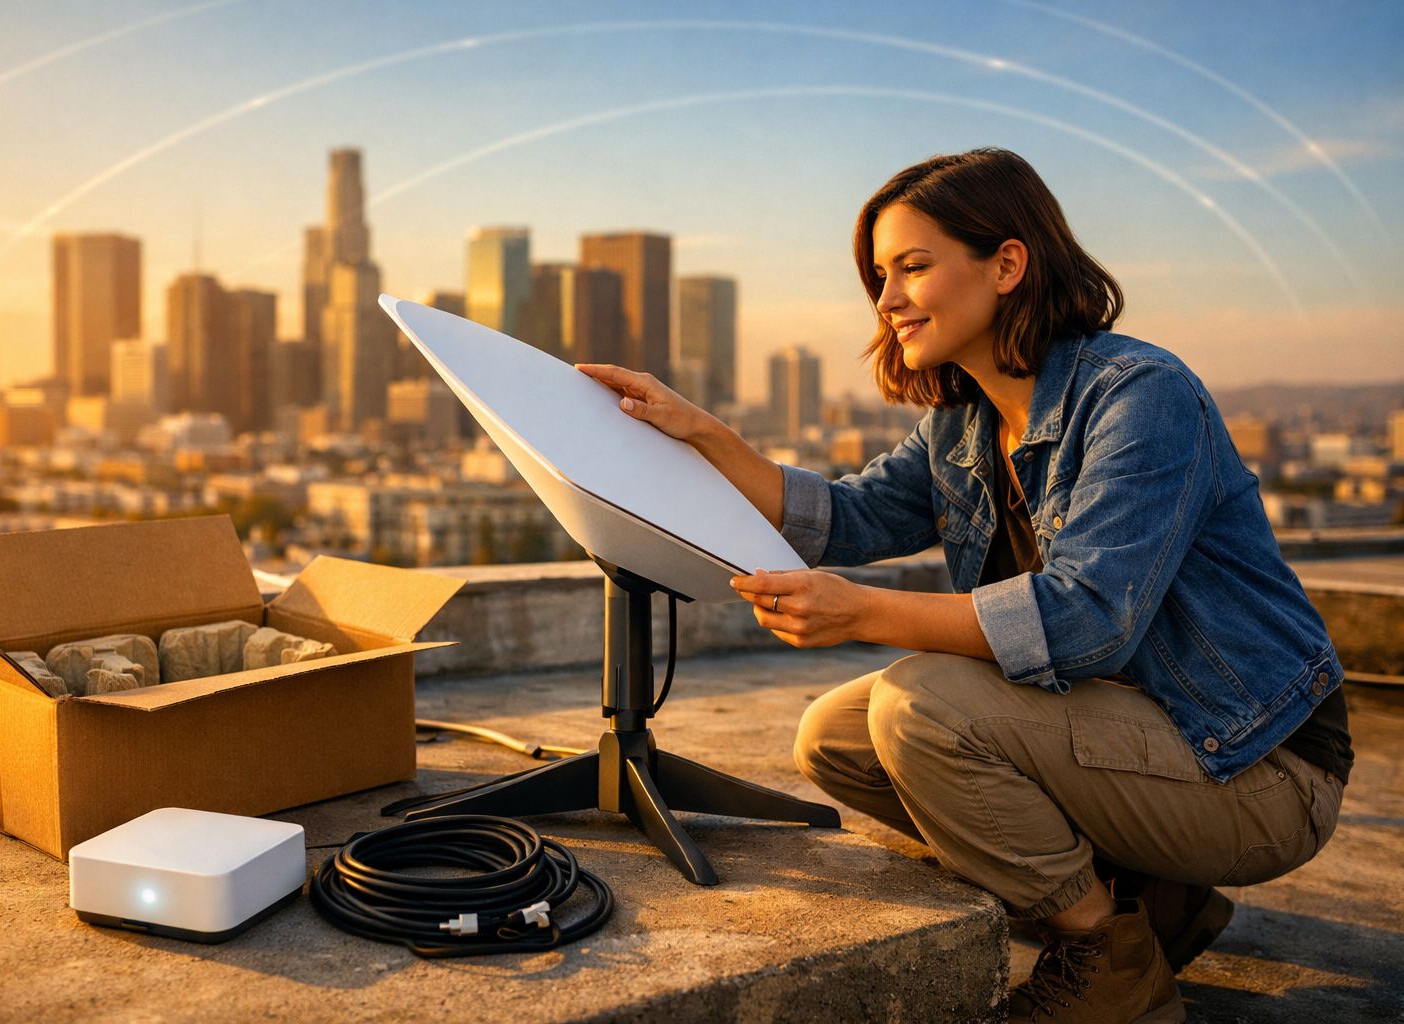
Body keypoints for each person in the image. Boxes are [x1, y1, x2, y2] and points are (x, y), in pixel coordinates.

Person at [577, 147, 1352, 1024]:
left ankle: (1108, 957)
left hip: (1255, 766)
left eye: (913, 266)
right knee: (834, 737)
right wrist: (700, 432)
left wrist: (861, 613)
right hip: (1138, 734)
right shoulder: (965, 420)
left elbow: (1088, 621)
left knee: (923, 709)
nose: (887, 298)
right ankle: (1149, 899)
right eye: (879, 274)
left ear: (1008, 264)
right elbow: (848, 518)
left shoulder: (1142, 395)